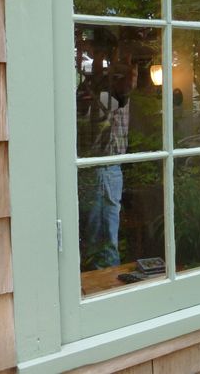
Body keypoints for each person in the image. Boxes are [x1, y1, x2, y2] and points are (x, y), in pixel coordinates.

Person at [78, 55, 138, 270]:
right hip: (103, 171)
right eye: (129, 79)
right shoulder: (105, 98)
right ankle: (106, 285)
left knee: (99, 236)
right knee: (103, 240)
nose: (132, 84)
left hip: (103, 171)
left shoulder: (110, 99)